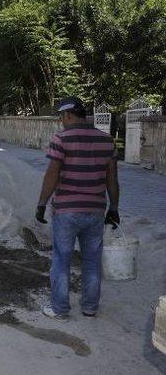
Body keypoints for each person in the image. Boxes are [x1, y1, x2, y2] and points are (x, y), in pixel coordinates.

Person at [36, 96, 119, 320]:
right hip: (95, 211)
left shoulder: (61, 138)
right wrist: (115, 208)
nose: (61, 122)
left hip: (66, 211)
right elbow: (112, 178)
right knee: (92, 261)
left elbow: (52, 174)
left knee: (61, 260)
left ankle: (60, 309)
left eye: (61, 117)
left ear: (68, 115)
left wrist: (42, 203)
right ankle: (90, 307)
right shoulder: (106, 140)